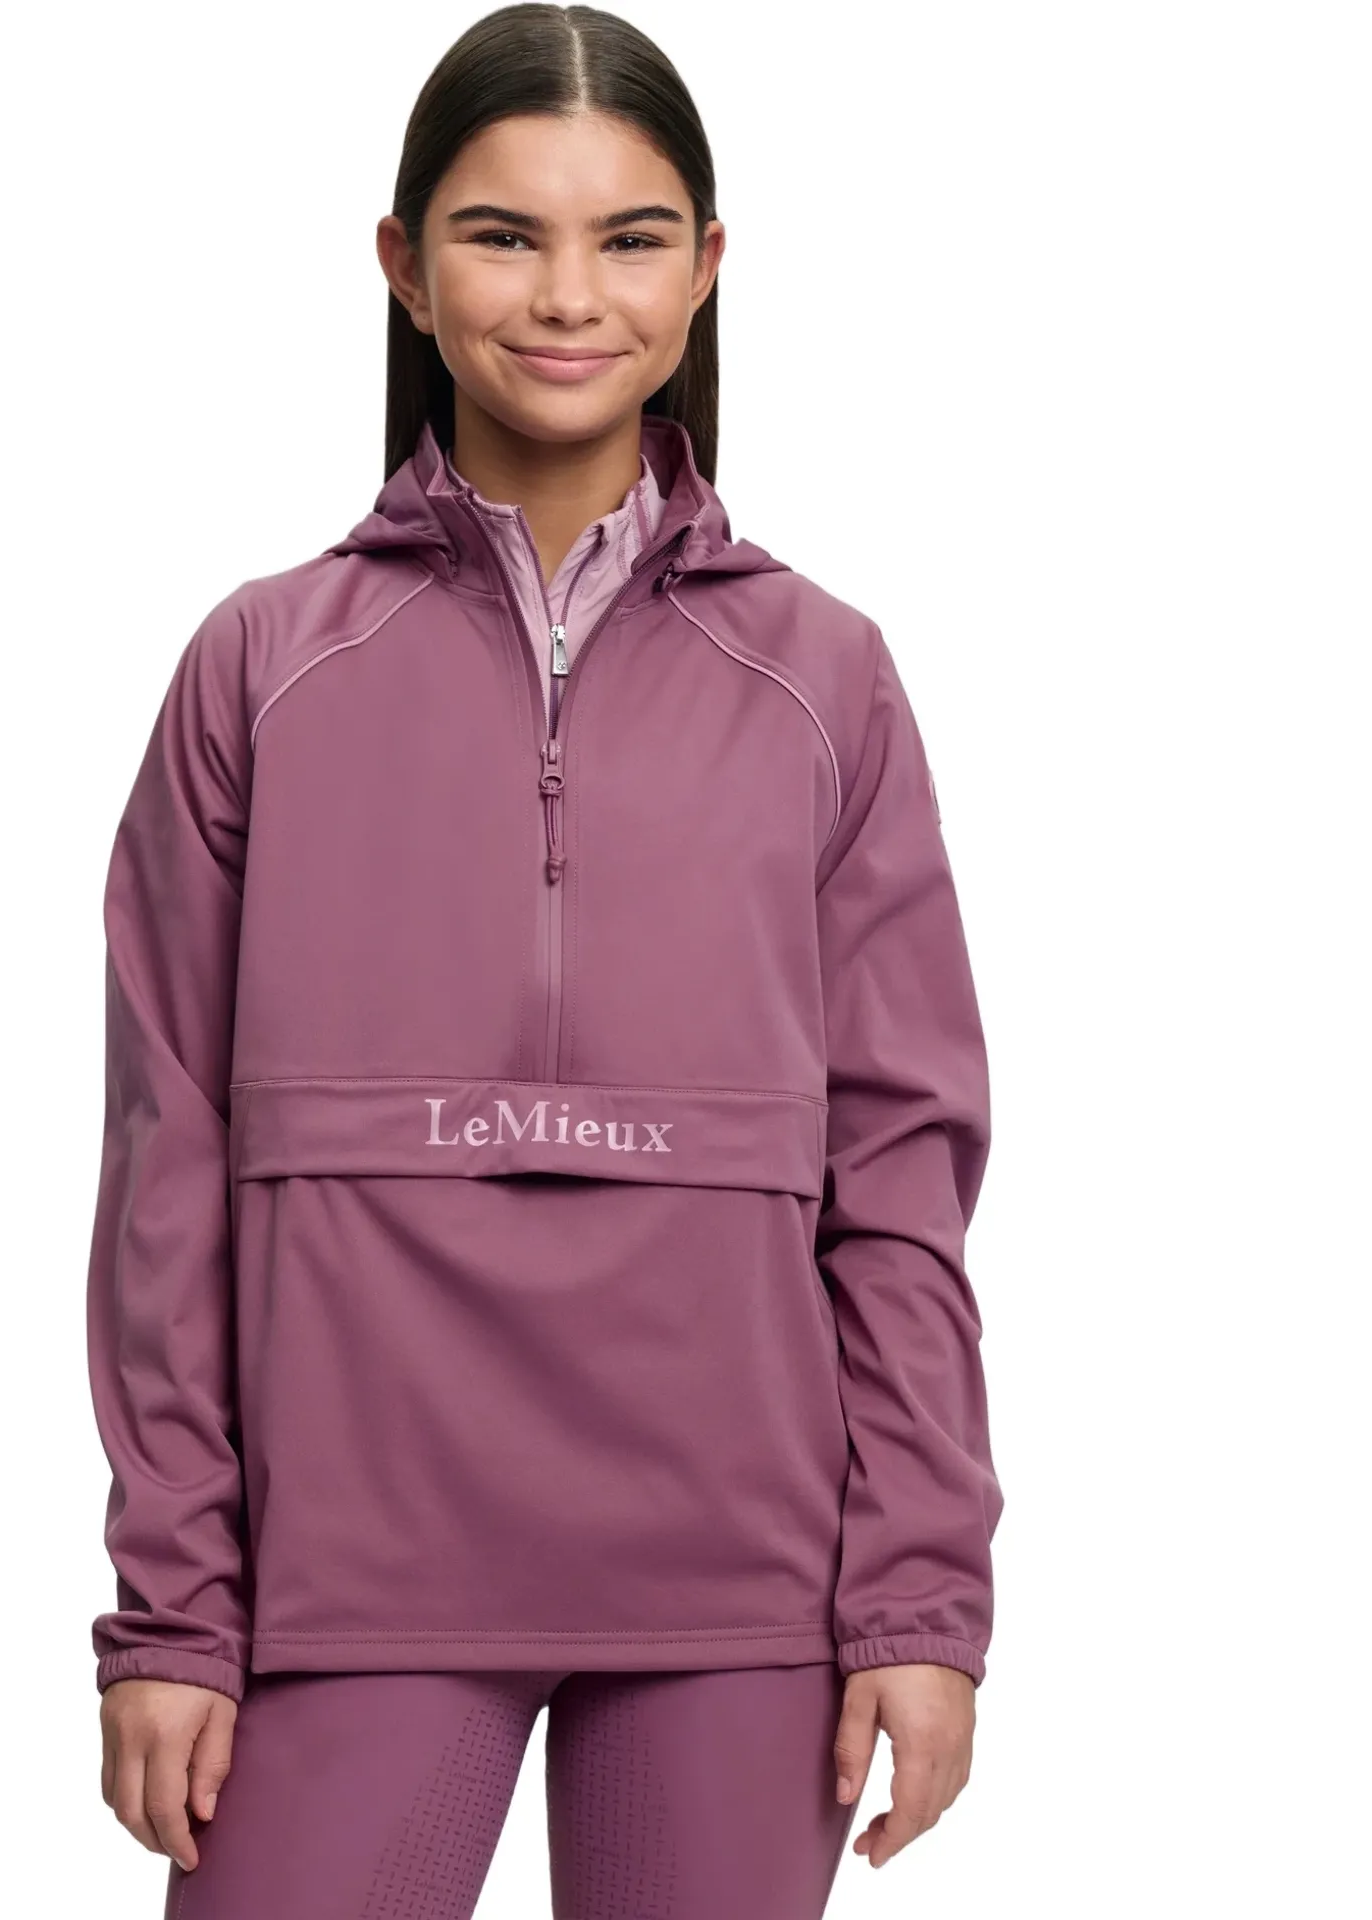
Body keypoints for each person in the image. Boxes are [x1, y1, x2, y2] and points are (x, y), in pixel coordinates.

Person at [84, 6, 1003, 1914]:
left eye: (631, 237)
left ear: (708, 266)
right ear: (404, 267)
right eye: (503, 235)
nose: (569, 294)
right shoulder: (262, 665)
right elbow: (165, 1163)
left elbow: (902, 1175)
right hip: (346, 1562)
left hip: (743, 1580)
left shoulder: (828, 678)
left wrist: (919, 1591)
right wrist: (174, 1602)